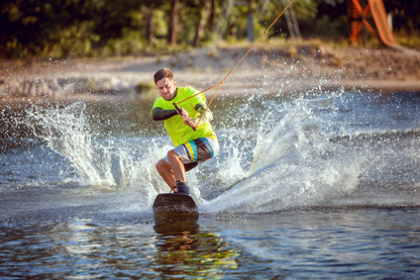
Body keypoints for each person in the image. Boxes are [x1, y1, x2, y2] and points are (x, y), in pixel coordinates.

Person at [151, 68, 219, 196]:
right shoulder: (159, 102)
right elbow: (156, 115)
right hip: (191, 148)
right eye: (160, 88)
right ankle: (179, 195)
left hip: (207, 142)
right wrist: (175, 111)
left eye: (167, 86)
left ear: (174, 84)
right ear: (157, 88)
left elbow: (207, 113)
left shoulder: (189, 92)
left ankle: (183, 193)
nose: (164, 91)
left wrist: (196, 121)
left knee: (172, 155)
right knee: (161, 166)